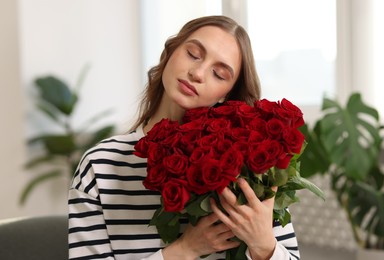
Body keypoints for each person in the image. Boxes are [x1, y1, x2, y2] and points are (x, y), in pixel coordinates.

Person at [68, 15, 300, 260]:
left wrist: (263, 245)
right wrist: (185, 250)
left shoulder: (251, 168)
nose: (197, 73)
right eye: (193, 54)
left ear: (226, 94)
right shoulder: (100, 165)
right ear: (169, 53)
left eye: (219, 74)